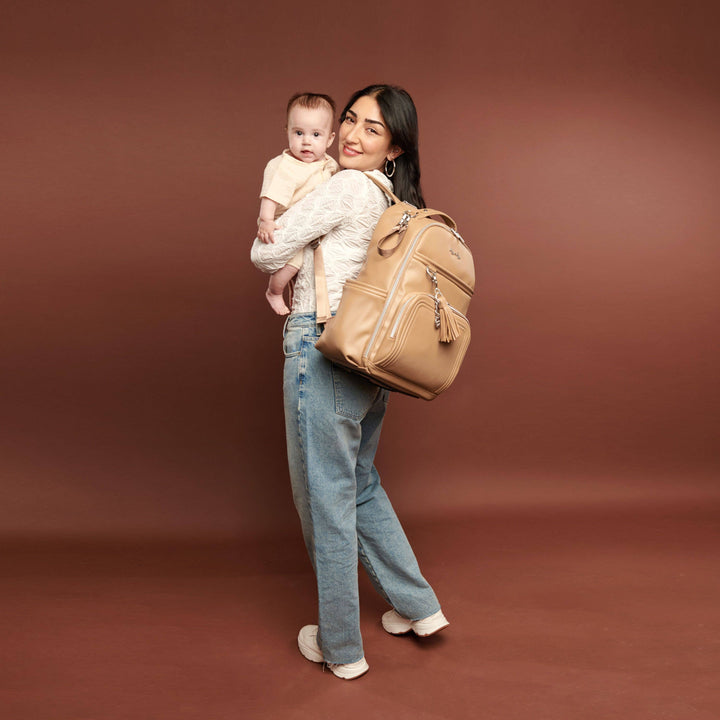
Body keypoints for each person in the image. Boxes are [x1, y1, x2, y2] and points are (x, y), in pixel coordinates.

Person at [251, 85, 448, 681]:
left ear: (394, 147)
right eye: (351, 120)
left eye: (372, 129)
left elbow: (264, 255)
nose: (353, 136)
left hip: (321, 345)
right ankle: (419, 608)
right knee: (358, 486)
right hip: (368, 356)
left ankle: (339, 645)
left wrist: (281, 218)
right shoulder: (391, 197)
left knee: (325, 497)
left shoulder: (346, 187)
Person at [257, 92, 339, 315]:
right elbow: (271, 196)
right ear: (288, 132)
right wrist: (266, 221)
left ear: (330, 139)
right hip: (283, 222)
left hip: (310, 223)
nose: (306, 141)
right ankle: (274, 291)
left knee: (311, 265)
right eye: (299, 133)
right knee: (293, 262)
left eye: (316, 134)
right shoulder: (286, 166)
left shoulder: (328, 163)